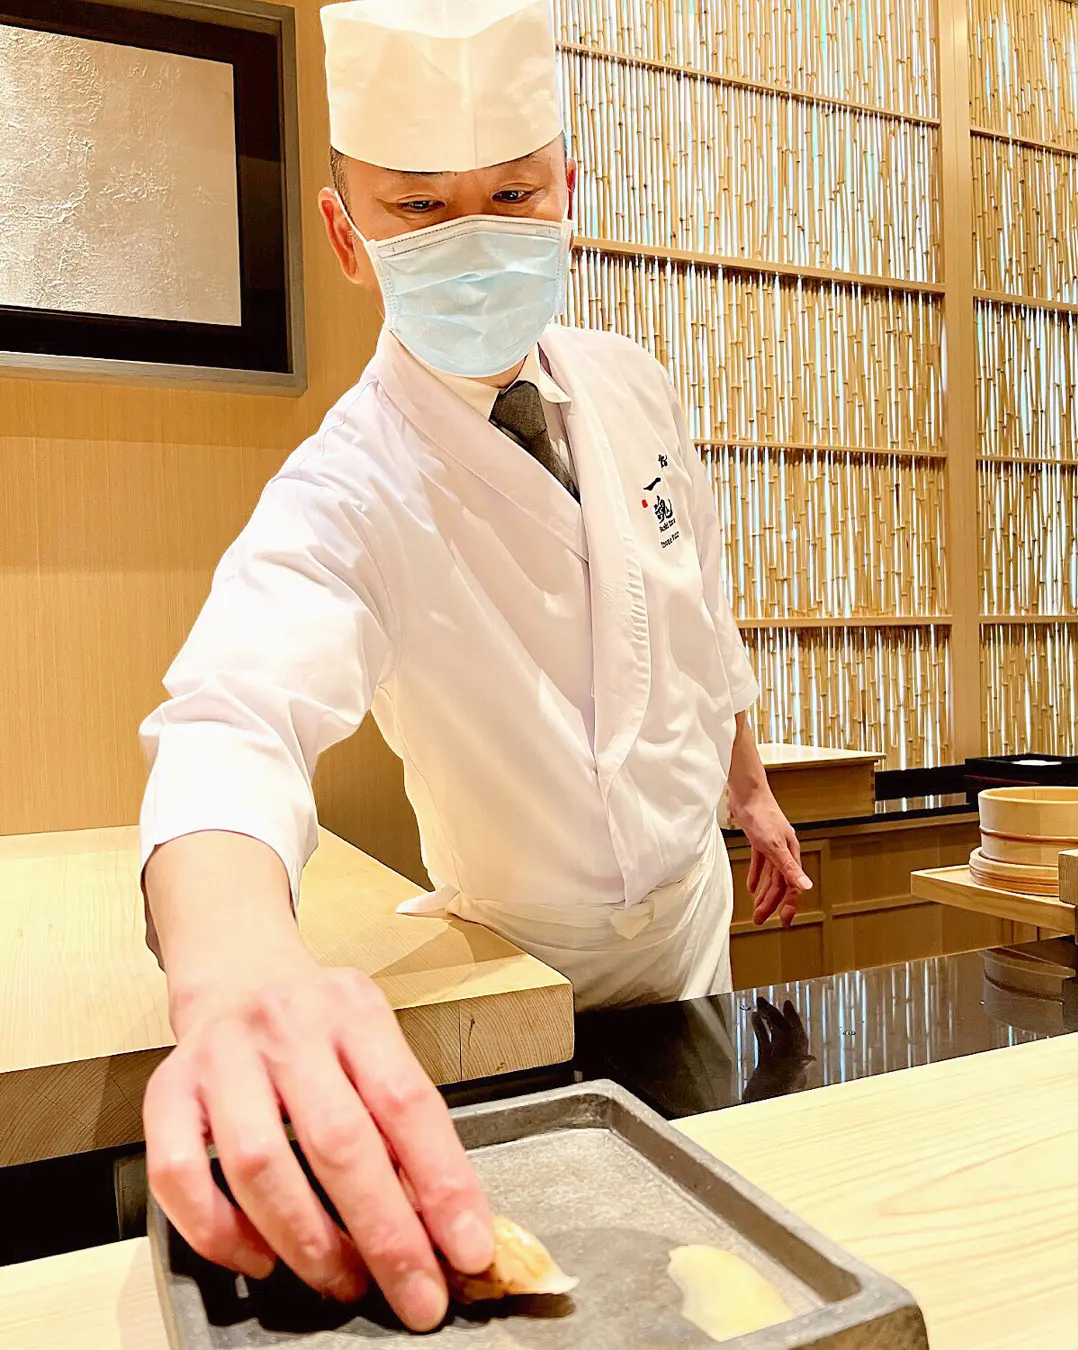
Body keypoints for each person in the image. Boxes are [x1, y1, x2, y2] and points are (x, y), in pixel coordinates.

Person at [139, 0, 813, 1332]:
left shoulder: (631, 381)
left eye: (512, 194)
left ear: (569, 192)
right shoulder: (346, 486)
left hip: (693, 929)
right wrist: (234, 976)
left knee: (718, 1281)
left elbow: (694, 605)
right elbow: (232, 720)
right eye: (420, 207)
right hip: (518, 978)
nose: (478, 237)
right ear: (348, 234)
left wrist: (750, 788)